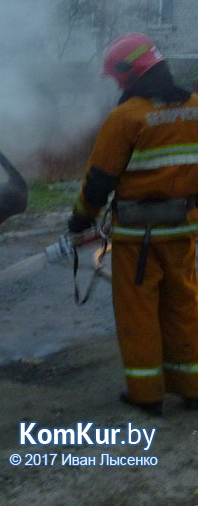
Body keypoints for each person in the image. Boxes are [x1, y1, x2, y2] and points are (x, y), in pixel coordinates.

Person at [68, 32, 198, 416]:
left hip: (137, 237)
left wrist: (80, 219)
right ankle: (192, 386)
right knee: (184, 305)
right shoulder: (195, 108)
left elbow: (100, 180)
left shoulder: (125, 117)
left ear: (130, 73)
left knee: (138, 313)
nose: (117, 86)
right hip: (183, 229)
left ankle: (147, 394)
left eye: (117, 78)